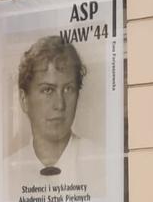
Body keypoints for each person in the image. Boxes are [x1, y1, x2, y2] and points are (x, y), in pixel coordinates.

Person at [8, 35, 101, 188]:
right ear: (24, 99)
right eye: (48, 90)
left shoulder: (99, 161)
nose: (60, 104)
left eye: (68, 89)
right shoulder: (10, 170)